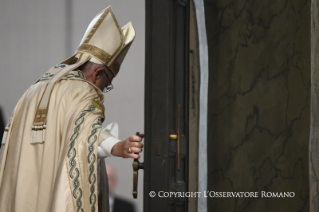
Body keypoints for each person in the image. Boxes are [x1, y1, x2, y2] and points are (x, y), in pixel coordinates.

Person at [0, 6, 143, 212]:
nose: (104, 89)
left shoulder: (35, 89)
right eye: (107, 83)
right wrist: (117, 147)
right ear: (98, 73)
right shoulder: (82, 91)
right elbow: (86, 132)